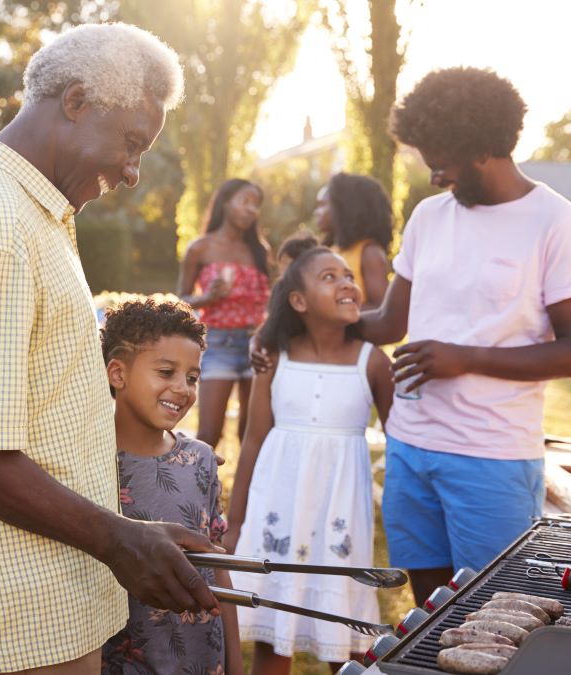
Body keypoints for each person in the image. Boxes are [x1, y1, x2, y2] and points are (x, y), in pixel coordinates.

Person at [0, 24, 222, 675]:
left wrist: (132, 529)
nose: (133, 173)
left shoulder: (31, 212)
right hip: (2, 622)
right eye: (132, 143)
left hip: (35, 601)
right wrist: (119, 538)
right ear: (77, 101)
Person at [361, 67, 571, 604]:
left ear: (481, 150)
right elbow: (390, 322)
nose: (433, 178)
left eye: (440, 164)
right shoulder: (428, 217)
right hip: (410, 447)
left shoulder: (556, 223)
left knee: (492, 612)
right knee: (430, 613)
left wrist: (464, 358)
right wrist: (296, 319)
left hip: (491, 457)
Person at [225, 246, 393, 673]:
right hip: (278, 511)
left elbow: (400, 442)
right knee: (273, 631)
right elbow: (253, 440)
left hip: (340, 515)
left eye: (348, 275)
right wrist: (237, 521)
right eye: (330, 277)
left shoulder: (372, 362)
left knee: (347, 638)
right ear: (299, 301)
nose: (347, 283)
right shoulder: (273, 358)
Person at [99, 298, 243, 675]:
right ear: (118, 374)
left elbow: (218, 565)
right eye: (166, 372)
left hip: (201, 656)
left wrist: (235, 662)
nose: (182, 388)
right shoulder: (91, 462)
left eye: (192, 378)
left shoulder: (201, 461)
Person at [177, 179, 271, 448]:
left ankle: (248, 479)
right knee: (209, 433)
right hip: (218, 343)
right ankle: (197, 477)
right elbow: (182, 299)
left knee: (251, 434)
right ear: (226, 203)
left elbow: (269, 299)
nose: (251, 209)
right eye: (245, 201)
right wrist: (208, 297)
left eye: (256, 205)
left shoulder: (259, 251)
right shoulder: (200, 248)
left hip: (255, 344)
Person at [312, 172, 392, 309]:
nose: (316, 211)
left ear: (345, 208)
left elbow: (382, 309)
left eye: (323, 205)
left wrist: (338, 309)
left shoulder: (369, 252)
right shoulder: (326, 250)